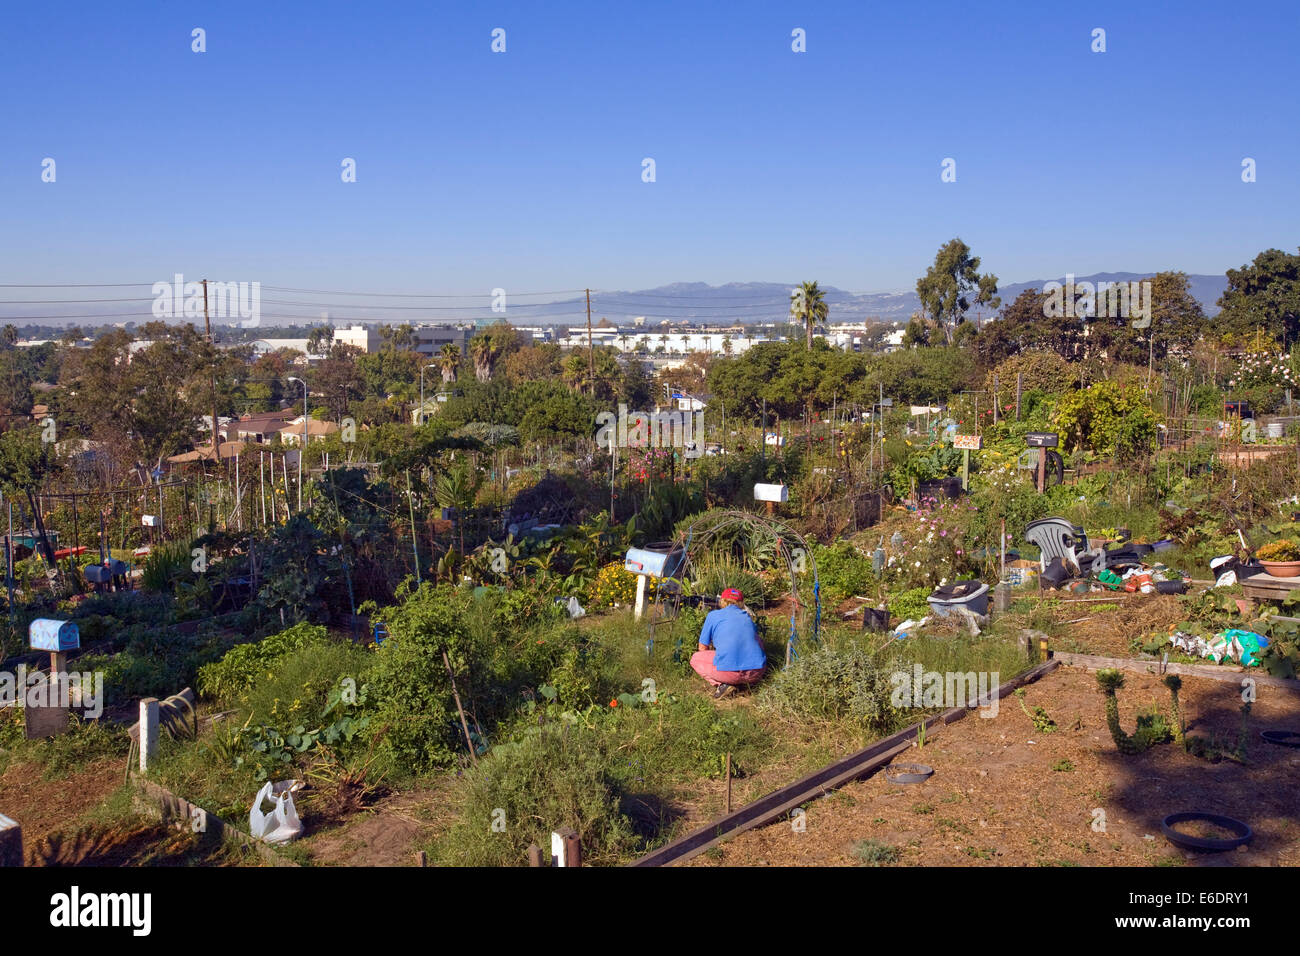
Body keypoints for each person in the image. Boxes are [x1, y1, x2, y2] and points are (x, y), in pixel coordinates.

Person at [691, 588, 766, 698]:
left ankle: (723, 684)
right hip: (756, 672)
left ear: (722, 601)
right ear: (741, 603)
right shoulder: (747, 617)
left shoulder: (713, 615)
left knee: (695, 659)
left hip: (728, 673)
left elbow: (702, 647)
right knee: (756, 639)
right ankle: (746, 685)